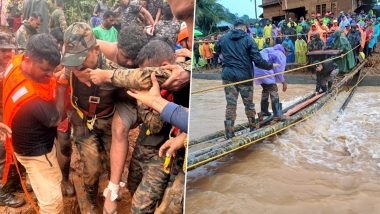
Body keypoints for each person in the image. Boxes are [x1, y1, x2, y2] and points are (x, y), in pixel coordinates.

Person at [3, 34, 66, 213]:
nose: (50, 75)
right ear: (29, 60)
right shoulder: (32, 97)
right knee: (53, 203)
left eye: (52, 70)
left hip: (20, 141)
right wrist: (61, 87)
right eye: (45, 70)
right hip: (37, 152)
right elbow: (55, 118)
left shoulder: (15, 63)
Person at [215, 20, 278, 139]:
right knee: (249, 104)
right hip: (244, 76)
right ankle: (253, 128)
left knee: (230, 105)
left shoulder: (223, 38)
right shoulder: (249, 39)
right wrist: (270, 66)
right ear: (244, 29)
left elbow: (217, 50)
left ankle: (229, 133)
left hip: (228, 76)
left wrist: (225, 59)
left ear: (234, 28)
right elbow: (258, 61)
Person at [0, 32, 25, 208]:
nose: (9, 54)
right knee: (2, 149)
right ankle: (1, 191)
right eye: (3, 51)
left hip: (8, 113)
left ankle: (14, 182)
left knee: (18, 146)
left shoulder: (12, 67)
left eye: (11, 50)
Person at [254, 44, 287, 121]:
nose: (287, 54)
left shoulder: (270, 49)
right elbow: (278, 71)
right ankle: (277, 114)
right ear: (285, 51)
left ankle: (264, 111)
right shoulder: (280, 54)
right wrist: (283, 82)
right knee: (273, 90)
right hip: (265, 69)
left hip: (256, 70)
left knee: (265, 89)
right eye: (287, 52)